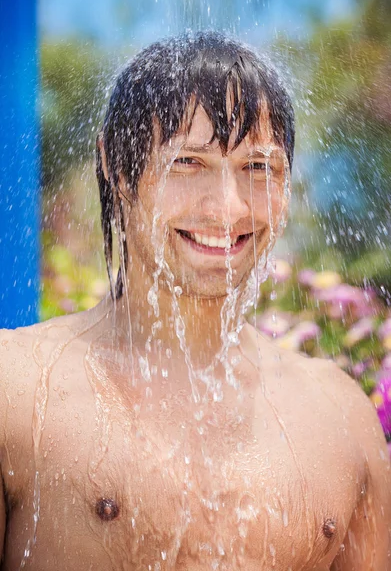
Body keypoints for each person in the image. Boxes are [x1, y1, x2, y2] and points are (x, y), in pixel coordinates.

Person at [0, 32, 390, 571]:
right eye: (188, 162)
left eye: (258, 168)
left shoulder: (340, 417)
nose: (227, 209)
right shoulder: (17, 390)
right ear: (115, 161)